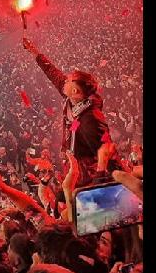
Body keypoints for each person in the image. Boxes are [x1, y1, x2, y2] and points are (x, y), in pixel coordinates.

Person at [22, 37, 119, 186]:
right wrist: (34, 52)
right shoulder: (73, 100)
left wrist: (106, 180)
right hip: (75, 170)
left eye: (68, 80)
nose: (64, 80)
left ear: (75, 91)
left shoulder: (90, 118)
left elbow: (107, 150)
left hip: (89, 178)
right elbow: (53, 74)